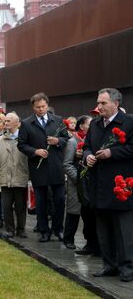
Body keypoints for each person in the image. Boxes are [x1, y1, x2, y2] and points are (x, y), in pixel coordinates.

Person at [84, 88, 133, 282]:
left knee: (124, 230)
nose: (99, 106)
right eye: (98, 102)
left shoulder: (129, 122)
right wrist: (87, 155)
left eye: (103, 103)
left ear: (116, 103)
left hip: (121, 185)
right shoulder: (95, 124)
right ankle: (109, 264)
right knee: (103, 229)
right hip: (99, 184)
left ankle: (127, 267)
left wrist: (112, 153)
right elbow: (87, 145)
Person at [18, 93, 68, 242]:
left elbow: (66, 138)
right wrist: (35, 151)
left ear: (47, 105)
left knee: (59, 199)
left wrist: (58, 140)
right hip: (38, 168)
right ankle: (43, 230)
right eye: (37, 107)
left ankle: (58, 229)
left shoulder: (58, 120)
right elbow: (21, 144)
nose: (41, 109)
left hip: (56, 167)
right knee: (41, 201)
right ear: (33, 107)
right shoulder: (27, 123)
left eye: (43, 106)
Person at [62, 115, 99, 252]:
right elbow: (67, 164)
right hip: (76, 183)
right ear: (82, 125)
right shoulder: (72, 142)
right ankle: (68, 239)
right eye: (89, 124)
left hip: (89, 184)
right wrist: (78, 179)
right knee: (73, 212)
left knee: (87, 215)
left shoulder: (92, 140)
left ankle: (89, 243)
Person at [0, 113, 29, 238]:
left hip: (20, 176)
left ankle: (21, 229)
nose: (5, 123)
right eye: (5, 121)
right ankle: (9, 229)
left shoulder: (25, 139)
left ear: (16, 123)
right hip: (5, 177)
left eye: (8, 121)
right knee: (6, 206)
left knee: (20, 206)